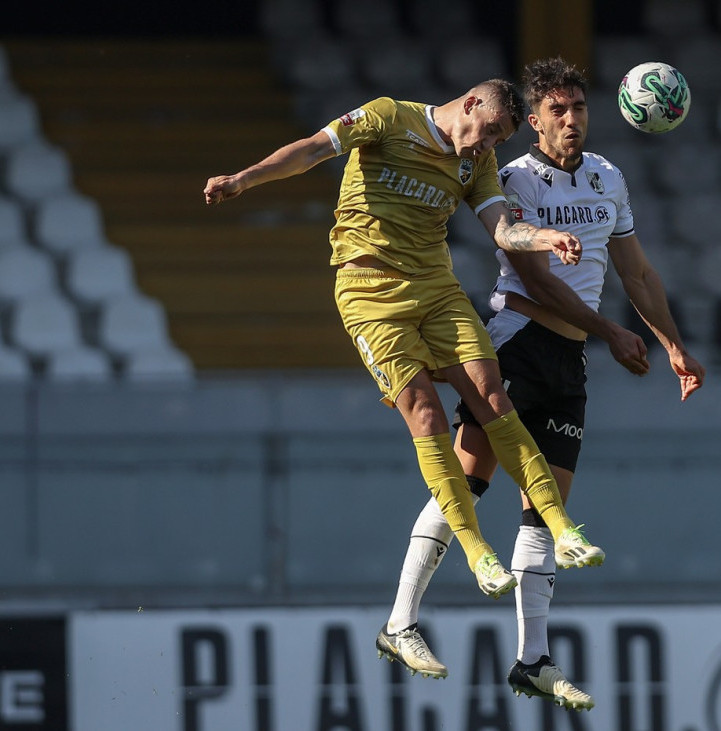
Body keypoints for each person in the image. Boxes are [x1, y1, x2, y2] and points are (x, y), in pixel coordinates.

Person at [376, 58, 705, 711]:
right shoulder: (513, 178)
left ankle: (533, 659)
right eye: (558, 110)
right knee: (467, 480)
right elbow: (534, 277)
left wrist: (673, 344)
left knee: (544, 508)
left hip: (569, 358)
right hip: (517, 342)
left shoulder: (609, 177)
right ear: (533, 121)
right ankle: (400, 619)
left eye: (579, 108)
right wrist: (610, 331)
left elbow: (637, 274)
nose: (571, 119)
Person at [203, 79, 605, 601]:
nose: (487, 146)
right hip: (369, 291)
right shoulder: (389, 118)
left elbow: (503, 229)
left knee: (492, 397)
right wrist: (244, 178)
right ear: (470, 103)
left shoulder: (478, 163)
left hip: (436, 288)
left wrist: (545, 237)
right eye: (487, 132)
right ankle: (477, 552)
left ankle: (562, 527)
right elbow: (311, 151)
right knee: (426, 413)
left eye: (498, 141)